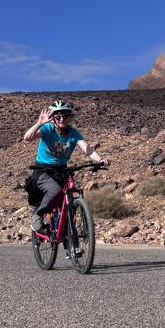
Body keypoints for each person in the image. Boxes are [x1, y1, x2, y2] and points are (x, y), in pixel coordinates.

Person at [22, 100, 107, 233]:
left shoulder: (73, 133)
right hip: (43, 171)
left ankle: (67, 234)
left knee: (68, 197)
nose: (62, 119)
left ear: (70, 118)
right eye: (58, 117)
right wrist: (40, 123)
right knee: (55, 190)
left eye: (65, 116)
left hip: (61, 170)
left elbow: (87, 149)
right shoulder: (47, 129)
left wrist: (100, 159)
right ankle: (37, 216)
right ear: (53, 118)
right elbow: (27, 138)